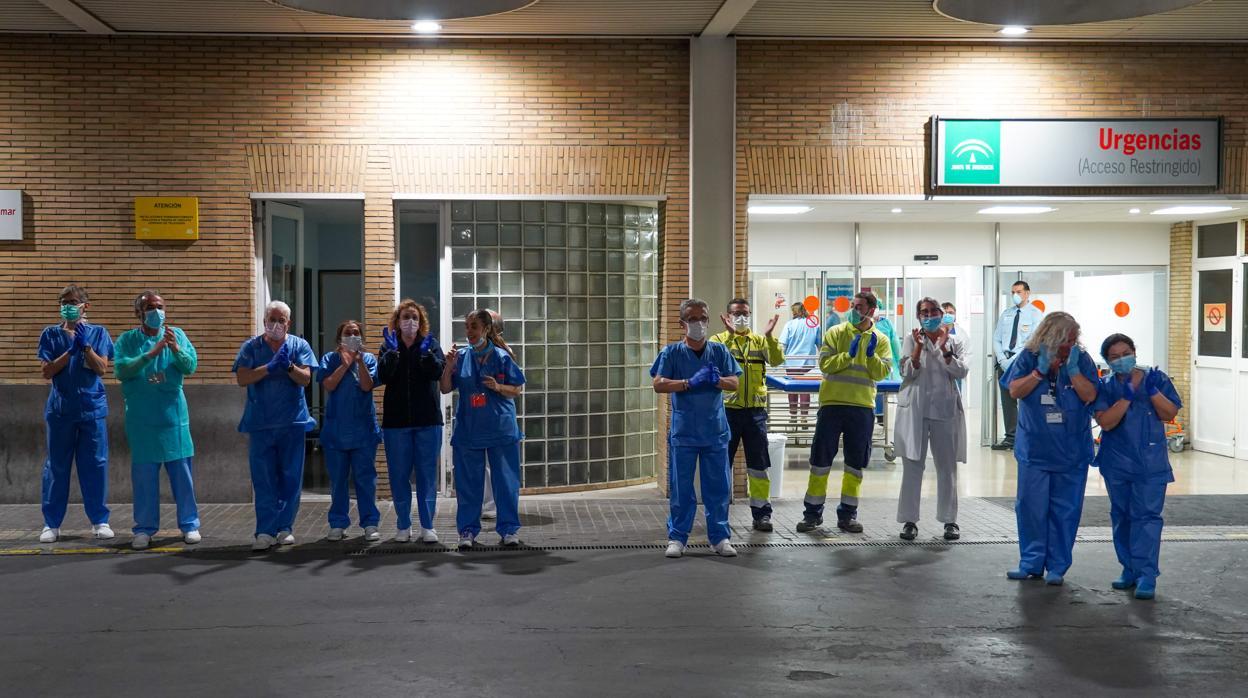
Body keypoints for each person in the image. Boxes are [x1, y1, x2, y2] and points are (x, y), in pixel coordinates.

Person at [1001, 311, 1098, 586]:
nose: (1070, 344)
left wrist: (1075, 372)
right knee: (1030, 508)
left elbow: (1090, 395)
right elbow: (1015, 390)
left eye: (1073, 339)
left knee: (1065, 510)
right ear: (1050, 337)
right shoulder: (1029, 357)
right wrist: (1039, 372)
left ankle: (1057, 565)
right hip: (1035, 449)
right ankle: (1030, 563)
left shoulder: (1081, 359)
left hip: (1071, 449)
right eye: (1066, 339)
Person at [1093, 334, 1182, 601]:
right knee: (1122, 516)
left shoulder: (1156, 379)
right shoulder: (1106, 386)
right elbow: (1106, 422)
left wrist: (1152, 392)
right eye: (1115, 356)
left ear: (1135, 351)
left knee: (1147, 518)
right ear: (1107, 361)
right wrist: (1127, 398)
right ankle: (1129, 568)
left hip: (1150, 463)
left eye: (1126, 352)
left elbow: (1169, 414)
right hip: (1117, 462)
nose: (1122, 359)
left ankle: (1146, 575)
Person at [651, 299, 742, 558]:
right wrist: (688, 383)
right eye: (692, 319)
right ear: (682, 323)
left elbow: (734, 382)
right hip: (685, 432)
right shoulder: (672, 353)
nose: (698, 324)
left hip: (714, 430)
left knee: (718, 486)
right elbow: (659, 384)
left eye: (702, 318)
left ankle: (720, 537)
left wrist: (718, 380)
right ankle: (677, 537)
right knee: (681, 488)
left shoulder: (719, 351)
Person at [797, 291, 892, 534]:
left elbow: (881, 373)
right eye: (852, 305)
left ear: (871, 310)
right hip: (832, 405)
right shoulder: (836, 332)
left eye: (859, 306)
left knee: (855, 464)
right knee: (820, 461)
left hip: (861, 408)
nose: (854, 310)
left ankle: (848, 515)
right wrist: (848, 355)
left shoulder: (880, 339)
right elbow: (825, 364)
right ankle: (812, 514)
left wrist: (870, 357)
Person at [113, 291, 201, 549]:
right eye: (150, 307)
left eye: (160, 306)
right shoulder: (128, 340)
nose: (156, 312)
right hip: (142, 418)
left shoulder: (177, 335)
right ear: (138, 312)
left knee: (182, 475)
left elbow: (190, 366)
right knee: (144, 476)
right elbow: (121, 370)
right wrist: (151, 354)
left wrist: (174, 348)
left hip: (173, 417)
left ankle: (190, 524)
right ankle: (144, 528)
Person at [232, 300, 317, 552]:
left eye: (281, 320)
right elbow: (242, 377)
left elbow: (305, 379)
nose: (276, 324)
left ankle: (285, 528)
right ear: (264, 321)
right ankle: (265, 530)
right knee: (264, 478)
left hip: (292, 422)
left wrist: (289, 366)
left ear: (288, 323)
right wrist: (269, 368)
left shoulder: (299, 346)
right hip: (261, 423)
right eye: (272, 319)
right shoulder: (251, 347)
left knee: (291, 477)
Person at [440, 309, 525, 550]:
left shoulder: (501, 356)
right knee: (468, 483)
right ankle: (467, 531)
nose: (469, 332)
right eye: (467, 327)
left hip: (500, 428)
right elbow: (445, 388)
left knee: (505, 481)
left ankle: (509, 529)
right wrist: (448, 366)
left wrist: (498, 387)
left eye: (474, 327)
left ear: (486, 329)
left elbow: (517, 389)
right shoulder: (461, 356)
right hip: (470, 428)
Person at [36, 284, 115, 543]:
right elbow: (47, 372)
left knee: (94, 464)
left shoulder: (98, 333)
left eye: (73, 301)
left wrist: (85, 348)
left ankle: (99, 520)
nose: (68, 306)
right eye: (64, 302)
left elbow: (102, 369)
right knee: (57, 466)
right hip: (61, 410)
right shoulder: (50, 335)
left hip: (91, 409)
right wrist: (69, 352)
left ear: (85, 306)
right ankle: (52, 523)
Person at [894, 298, 969, 541]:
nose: (929, 316)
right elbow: (906, 371)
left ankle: (950, 521)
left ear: (941, 313)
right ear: (918, 316)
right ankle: (909, 521)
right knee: (912, 465)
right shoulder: (909, 338)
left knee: (947, 467)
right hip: (916, 409)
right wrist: (917, 348)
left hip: (944, 410)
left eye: (933, 311)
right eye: (924, 312)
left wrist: (945, 348)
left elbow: (960, 372)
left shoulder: (954, 340)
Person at [710, 298, 784, 532]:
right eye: (736, 314)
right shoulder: (719, 341)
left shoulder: (760, 340)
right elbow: (713, 360)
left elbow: (777, 359)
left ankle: (762, 514)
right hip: (727, 412)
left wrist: (771, 336)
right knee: (722, 464)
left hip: (755, 412)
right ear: (728, 316)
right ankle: (719, 513)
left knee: (759, 465)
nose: (741, 318)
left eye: (745, 313)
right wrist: (731, 336)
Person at [378, 301, 446, 543]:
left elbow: (438, 373)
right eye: (406, 317)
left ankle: (428, 526)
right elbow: (383, 376)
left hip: (427, 420)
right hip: (396, 422)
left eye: (415, 318)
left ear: (421, 322)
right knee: (398, 475)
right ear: (398, 321)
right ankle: (403, 525)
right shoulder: (388, 345)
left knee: (427, 475)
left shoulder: (430, 344)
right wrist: (393, 353)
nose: (410, 322)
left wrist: (427, 355)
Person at [318, 320, 382, 543]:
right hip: (337, 431)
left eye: (356, 333)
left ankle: (370, 523)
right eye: (348, 333)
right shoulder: (329, 359)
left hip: (363, 430)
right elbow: (329, 385)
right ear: (340, 338)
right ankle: (338, 523)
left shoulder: (370, 359)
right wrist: (345, 364)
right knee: (338, 480)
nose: (353, 335)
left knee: (366, 479)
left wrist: (359, 362)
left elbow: (366, 386)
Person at [992, 281, 1044, 450]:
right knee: (1007, 401)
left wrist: (1014, 359)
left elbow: (1033, 341)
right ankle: (1011, 437)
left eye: (1019, 291)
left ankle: (1028, 436)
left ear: (1027, 293)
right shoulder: (1006, 314)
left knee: (1027, 400)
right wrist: (1002, 359)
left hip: (1024, 362)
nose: (1015, 295)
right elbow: (996, 338)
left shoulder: (1036, 314)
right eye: (1013, 291)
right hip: (1004, 363)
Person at [779, 301, 821, 418]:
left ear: (795, 311)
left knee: (792, 389)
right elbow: (820, 345)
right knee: (805, 389)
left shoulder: (789, 325)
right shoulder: (814, 325)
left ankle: (793, 416)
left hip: (791, 362)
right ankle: (804, 417)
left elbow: (783, 344)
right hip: (807, 363)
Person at [941, 302, 969, 396]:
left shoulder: (961, 334)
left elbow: (966, 355)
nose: (948, 315)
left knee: (955, 400)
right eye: (945, 313)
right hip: (939, 372)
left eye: (951, 312)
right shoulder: (935, 331)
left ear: (955, 315)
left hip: (955, 371)